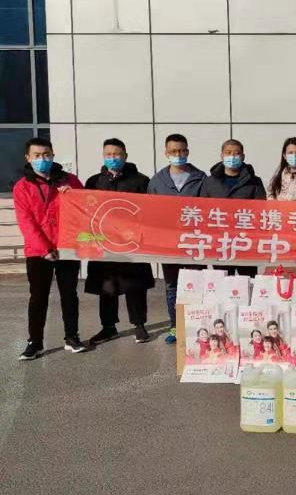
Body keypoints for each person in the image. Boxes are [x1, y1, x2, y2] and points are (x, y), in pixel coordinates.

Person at [14, 137, 87, 359]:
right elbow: (26, 222)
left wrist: (72, 196)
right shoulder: (22, 187)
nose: (42, 159)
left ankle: (72, 337)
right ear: (28, 158)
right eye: (37, 155)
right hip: (38, 252)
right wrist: (44, 248)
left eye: (46, 155)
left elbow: (85, 208)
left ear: (53, 155)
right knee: (38, 297)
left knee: (69, 294)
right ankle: (35, 342)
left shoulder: (70, 181)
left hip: (67, 247)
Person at [84, 138, 155, 345]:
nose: (112, 158)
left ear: (125, 156)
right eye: (108, 154)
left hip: (132, 243)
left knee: (135, 285)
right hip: (104, 242)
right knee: (106, 286)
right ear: (103, 156)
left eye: (117, 154)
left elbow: (150, 211)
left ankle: (139, 324)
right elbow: (84, 209)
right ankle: (108, 327)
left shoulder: (141, 181)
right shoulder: (94, 182)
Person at [147, 133, 206, 344]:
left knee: (196, 284)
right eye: (173, 151)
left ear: (187, 151)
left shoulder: (201, 178)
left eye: (181, 150)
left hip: (195, 243)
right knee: (172, 286)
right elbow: (150, 213)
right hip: (168, 244)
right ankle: (176, 326)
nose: (178, 154)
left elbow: (210, 210)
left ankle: (198, 326)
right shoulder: (157, 181)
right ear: (166, 153)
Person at [200, 139, 266, 278]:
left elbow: (261, 211)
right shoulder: (210, 181)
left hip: (246, 241)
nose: (232, 157)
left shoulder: (254, 181)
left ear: (243, 156)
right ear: (222, 155)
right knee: (222, 280)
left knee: (248, 280)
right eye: (228, 153)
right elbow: (203, 210)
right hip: (220, 241)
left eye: (236, 153)